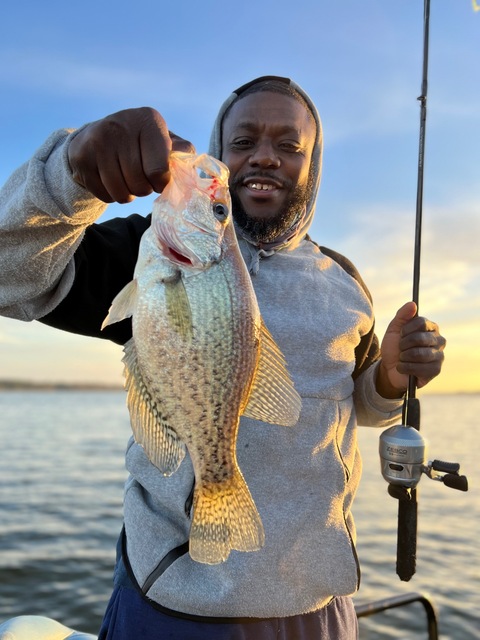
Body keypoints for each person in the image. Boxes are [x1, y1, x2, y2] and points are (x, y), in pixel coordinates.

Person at [0, 76, 446, 639]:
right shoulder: (149, 256)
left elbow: (356, 405)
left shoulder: (346, 285)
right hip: (175, 602)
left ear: (313, 164)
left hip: (320, 602)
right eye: (243, 143)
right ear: (221, 151)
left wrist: (388, 378)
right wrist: (68, 175)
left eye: (289, 146)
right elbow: (6, 276)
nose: (265, 156)